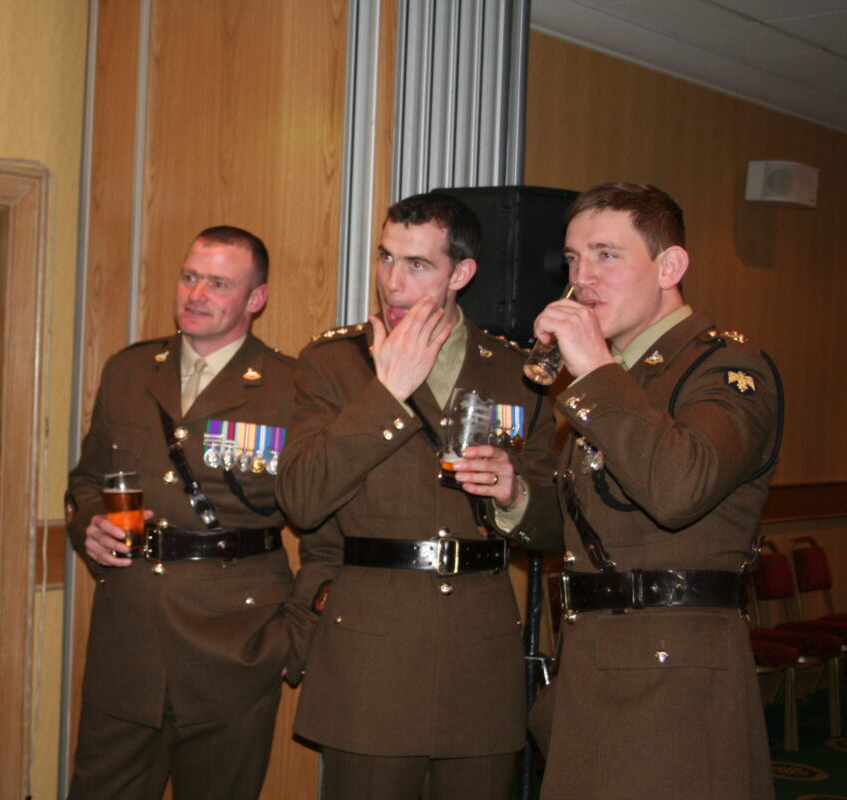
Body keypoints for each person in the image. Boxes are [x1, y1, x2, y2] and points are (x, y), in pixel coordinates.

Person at [275, 191, 560, 799]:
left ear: (462, 273)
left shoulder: (516, 372)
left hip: (478, 651)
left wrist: (515, 496)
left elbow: (558, 526)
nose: (392, 283)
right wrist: (385, 394)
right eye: (385, 258)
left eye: (416, 265)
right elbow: (301, 498)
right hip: (372, 649)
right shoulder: (334, 363)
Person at [527, 182, 779, 799]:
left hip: (675, 674)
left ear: (670, 266)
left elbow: (676, 488)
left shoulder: (724, 370)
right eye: (572, 259)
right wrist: (514, 499)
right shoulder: (622, 380)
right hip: (592, 659)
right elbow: (600, 531)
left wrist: (595, 369)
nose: (581, 279)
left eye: (607, 255)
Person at [66, 226, 322, 800]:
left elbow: (328, 533)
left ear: (256, 299)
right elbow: (85, 482)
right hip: (126, 641)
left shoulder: (292, 387)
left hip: (235, 642)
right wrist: (89, 524)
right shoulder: (130, 371)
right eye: (188, 277)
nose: (196, 294)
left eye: (218, 283)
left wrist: (292, 639)